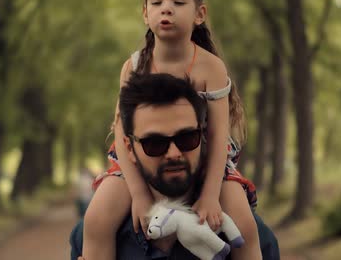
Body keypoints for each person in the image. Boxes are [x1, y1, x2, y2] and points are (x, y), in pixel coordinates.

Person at [83, 0, 261, 260]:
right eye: (156, 2)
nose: (166, 8)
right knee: (98, 214)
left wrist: (208, 196)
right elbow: (123, 136)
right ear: (144, 12)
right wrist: (139, 193)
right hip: (141, 159)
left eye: (179, 2)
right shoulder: (134, 66)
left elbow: (219, 137)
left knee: (242, 217)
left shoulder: (211, 67)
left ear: (199, 14)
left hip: (204, 159)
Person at [70, 73, 279, 259]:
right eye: (155, 143)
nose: (173, 153)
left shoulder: (248, 232)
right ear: (129, 149)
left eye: (187, 138)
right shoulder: (97, 230)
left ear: (204, 138)